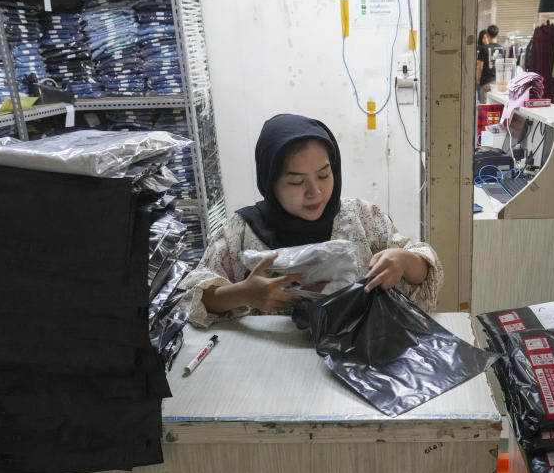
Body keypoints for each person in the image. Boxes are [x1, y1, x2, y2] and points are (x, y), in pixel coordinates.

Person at [184, 113, 443, 327]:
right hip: (269, 366)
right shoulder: (242, 231)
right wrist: (244, 293)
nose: (315, 192)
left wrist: (405, 261)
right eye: (296, 181)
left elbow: (424, 275)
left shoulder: (362, 218)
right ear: (270, 182)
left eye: (323, 175)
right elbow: (195, 296)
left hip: (355, 356)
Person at [476, 24, 500, 102]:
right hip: (498, 82)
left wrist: (478, 78)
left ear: (488, 35)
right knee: (495, 105)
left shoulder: (483, 48)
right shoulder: (502, 48)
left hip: (486, 81)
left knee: (484, 107)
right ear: (497, 35)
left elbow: (480, 66)